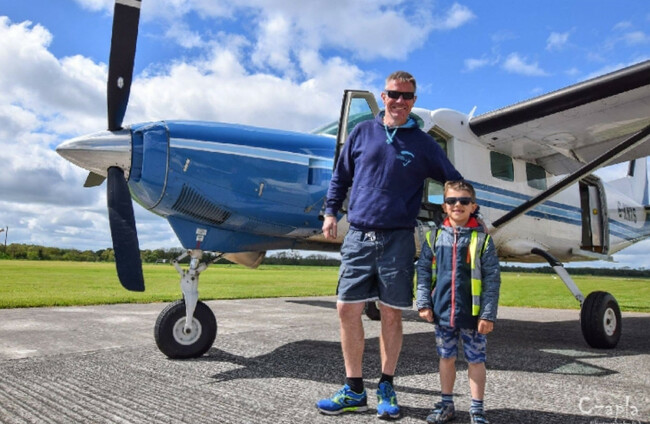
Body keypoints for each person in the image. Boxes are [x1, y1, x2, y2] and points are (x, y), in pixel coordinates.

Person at [316, 71, 463, 419]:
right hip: (358, 235)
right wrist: (330, 212)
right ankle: (354, 389)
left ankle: (386, 385)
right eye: (394, 94)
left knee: (391, 313)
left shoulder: (424, 144)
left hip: (397, 238)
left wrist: (468, 213)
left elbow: (453, 180)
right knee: (346, 309)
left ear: (414, 101)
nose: (399, 101)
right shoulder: (362, 132)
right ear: (383, 97)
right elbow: (341, 175)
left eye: (407, 96)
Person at [415, 180, 501, 424]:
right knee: (446, 358)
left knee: (476, 360)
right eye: (451, 201)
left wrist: (487, 314)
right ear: (444, 206)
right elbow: (423, 273)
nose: (457, 205)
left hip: (473, 315)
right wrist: (424, 303)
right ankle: (446, 404)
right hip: (442, 312)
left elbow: (492, 280)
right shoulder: (433, 238)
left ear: (473, 206)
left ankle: (477, 409)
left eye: (464, 200)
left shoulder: (483, 241)